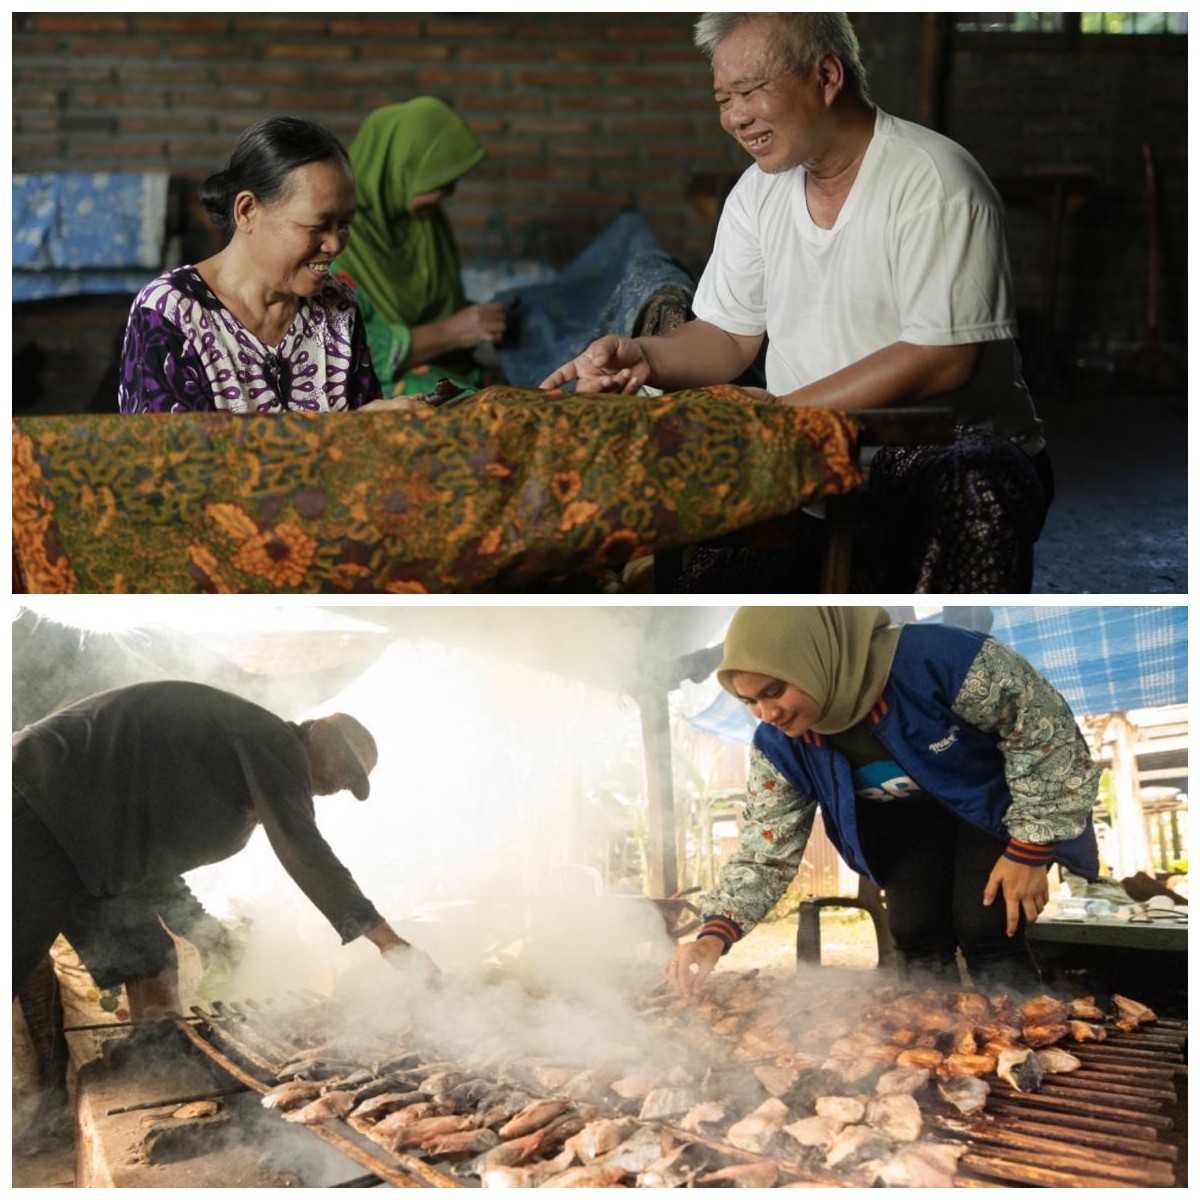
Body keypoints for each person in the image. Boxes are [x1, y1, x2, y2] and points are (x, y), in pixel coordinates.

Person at [541, 14, 1052, 594]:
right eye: (724, 99)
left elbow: (943, 357)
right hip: (810, 463)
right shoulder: (758, 194)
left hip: (935, 454)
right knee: (705, 602)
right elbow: (728, 337)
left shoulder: (934, 180)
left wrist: (777, 417)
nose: (735, 117)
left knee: (967, 490)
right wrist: (645, 357)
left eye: (750, 91)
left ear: (827, 75)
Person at [664, 607, 1101, 1001]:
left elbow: (1047, 736)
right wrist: (713, 936)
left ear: (815, 655)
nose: (767, 713)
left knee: (987, 926)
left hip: (992, 809)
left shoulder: (945, 662)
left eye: (775, 690)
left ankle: (1021, 1035)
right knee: (916, 932)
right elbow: (765, 848)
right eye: (750, 701)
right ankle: (936, 1038)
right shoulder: (779, 745)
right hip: (904, 824)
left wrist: (1030, 848)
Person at [12, 680, 437, 1014]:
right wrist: (387, 940)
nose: (343, 785)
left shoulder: (249, 773)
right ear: (319, 732)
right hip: (37, 803)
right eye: (346, 768)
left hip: (89, 849)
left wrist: (201, 928)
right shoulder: (276, 741)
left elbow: (152, 858)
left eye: (353, 782)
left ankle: (154, 1058)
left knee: (149, 957)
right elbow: (302, 845)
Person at [117, 116, 411, 414]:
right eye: (316, 226)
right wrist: (351, 427)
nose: (335, 244)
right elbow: (174, 456)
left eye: (344, 224)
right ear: (247, 211)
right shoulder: (171, 313)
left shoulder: (338, 307)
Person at [331, 98, 507, 398]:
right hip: (372, 382)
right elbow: (358, 353)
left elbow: (443, 305)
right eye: (437, 180)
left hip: (444, 367)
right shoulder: (335, 240)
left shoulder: (425, 223)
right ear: (396, 169)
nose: (449, 194)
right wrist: (457, 330)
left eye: (451, 182)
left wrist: (484, 320)